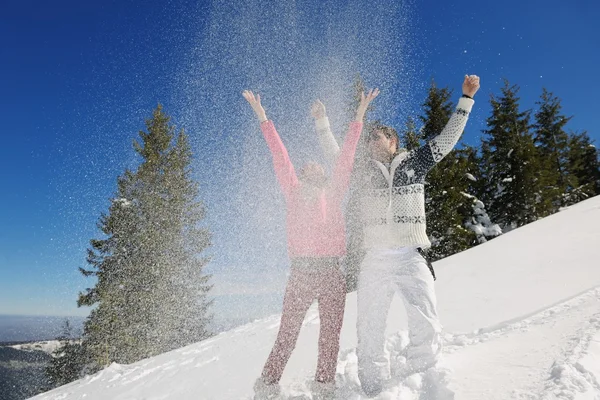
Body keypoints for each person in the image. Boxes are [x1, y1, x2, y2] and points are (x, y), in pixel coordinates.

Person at [348, 75, 481, 397]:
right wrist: (340, 119)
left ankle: (422, 374)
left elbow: (448, 139)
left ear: (393, 141)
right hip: (375, 260)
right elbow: (336, 153)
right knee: (369, 326)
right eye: (369, 139)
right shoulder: (362, 172)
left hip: (410, 256)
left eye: (378, 137)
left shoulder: (414, 164)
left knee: (425, 319)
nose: (372, 142)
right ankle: (372, 386)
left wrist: (466, 99)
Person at [242, 88, 379, 399]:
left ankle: (324, 386)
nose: (313, 166)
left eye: (318, 166)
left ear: (325, 174)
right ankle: (266, 384)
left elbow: (346, 155)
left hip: (332, 272)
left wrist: (360, 114)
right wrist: (262, 115)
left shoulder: (335, 190)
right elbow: (280, 154)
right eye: (307, 167)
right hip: (301, 273)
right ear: (301, 175)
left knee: (330, 335)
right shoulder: (292, 191)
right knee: (287, 333)